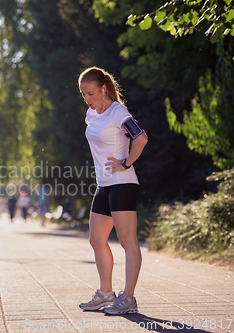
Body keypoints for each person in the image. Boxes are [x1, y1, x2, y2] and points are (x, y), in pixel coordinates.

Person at [78, 67, 148, 315]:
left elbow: (140, 137)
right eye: (84, 94)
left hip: (123, 184)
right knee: (96, 239)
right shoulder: (91, 114)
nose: (87, 99)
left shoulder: (119, 112)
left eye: (91, 93)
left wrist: (126, 162)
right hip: (104, 185)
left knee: (127, 241)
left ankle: (128, 298)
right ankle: (106, 293)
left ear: (104, 89)